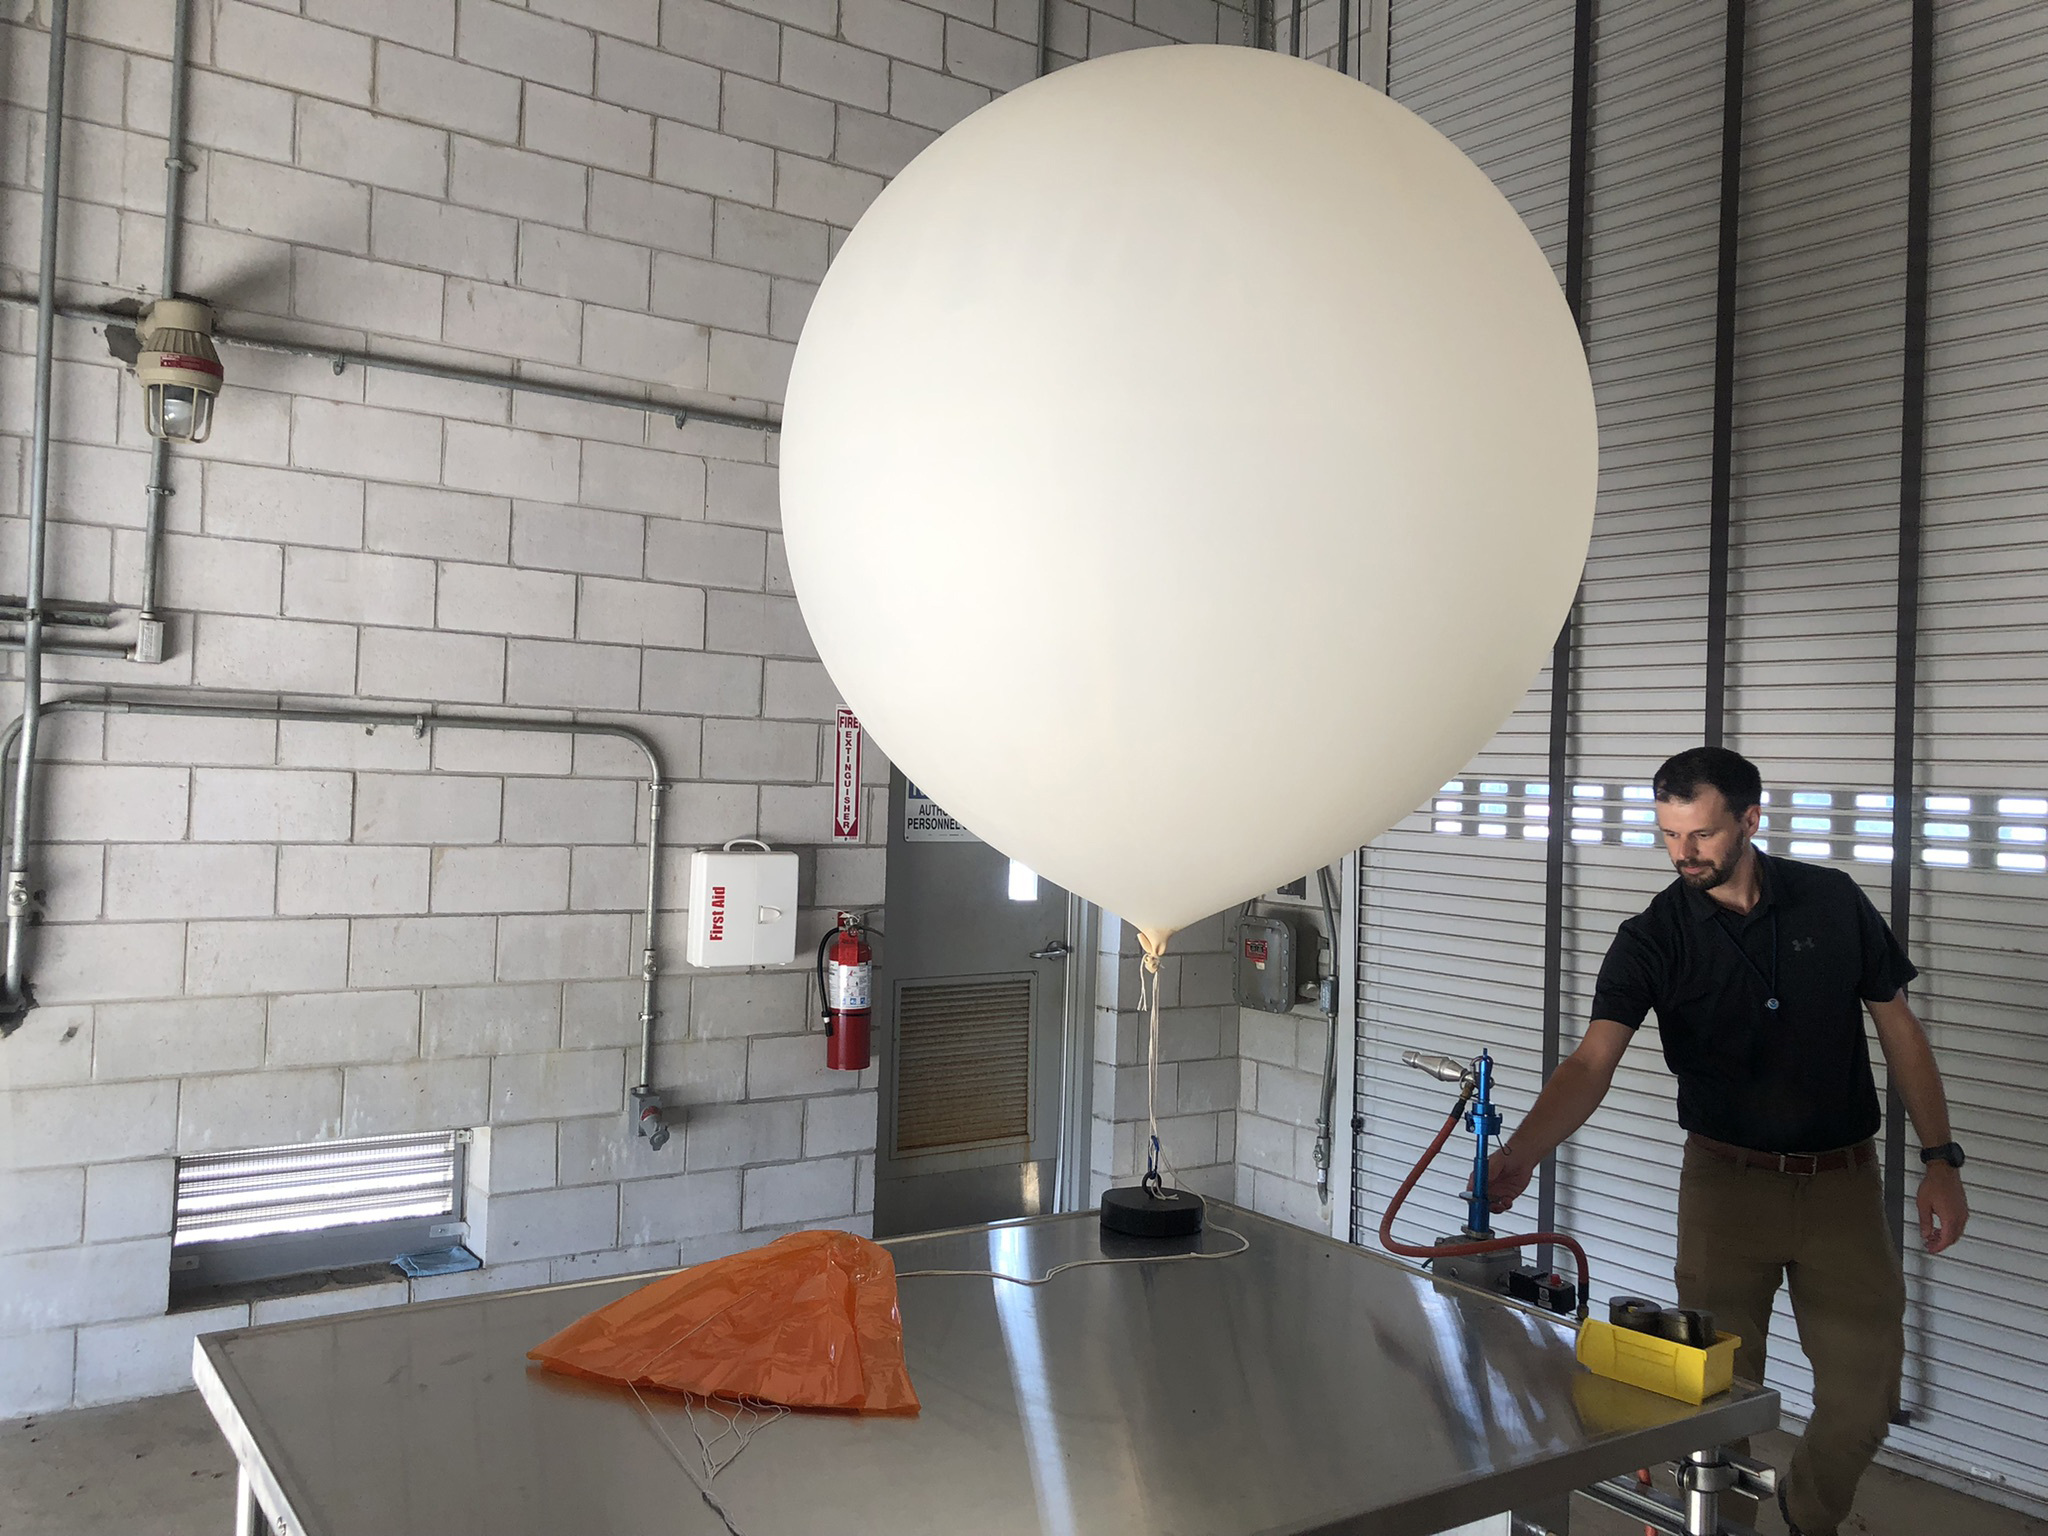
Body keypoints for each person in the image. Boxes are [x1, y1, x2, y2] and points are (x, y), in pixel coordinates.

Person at [1485, 747, 1968, 1536]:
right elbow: (1590, 1062)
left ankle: (1807, 1516)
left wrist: (1941, 1160)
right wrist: (1523, 1153)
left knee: (1864, 1399)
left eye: (1702, 834)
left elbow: (1900, 1031)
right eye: (1669, 835)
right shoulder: (1653, 937)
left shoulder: (1832, 903)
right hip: (1724, 1189)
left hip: (1843, 1186)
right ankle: (1726, 1529)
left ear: (1750, 819)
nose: (1684, 854)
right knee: (1717, 1404)